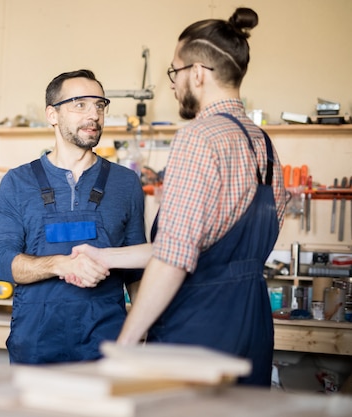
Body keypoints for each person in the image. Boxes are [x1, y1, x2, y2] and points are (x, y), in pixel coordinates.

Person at [70, 8, 286, 386]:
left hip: (199, 328)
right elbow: (196, 242)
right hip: (252, 323)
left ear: (198, 73)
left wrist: (125, 342)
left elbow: (174, 260)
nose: (172, 84)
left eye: (174, 71)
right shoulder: (263, 143)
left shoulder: (199, 138)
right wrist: (104, 255)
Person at [0, 69, 146, 365]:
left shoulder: (125, 183)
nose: (94, 115)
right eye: (80, 105)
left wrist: (141, 336)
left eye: (100, 105)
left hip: (106, 347)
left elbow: (137, 270)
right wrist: (62, 264)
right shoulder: (18, 182)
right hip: (36, 344)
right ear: (52, 115)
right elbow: (1, 262)